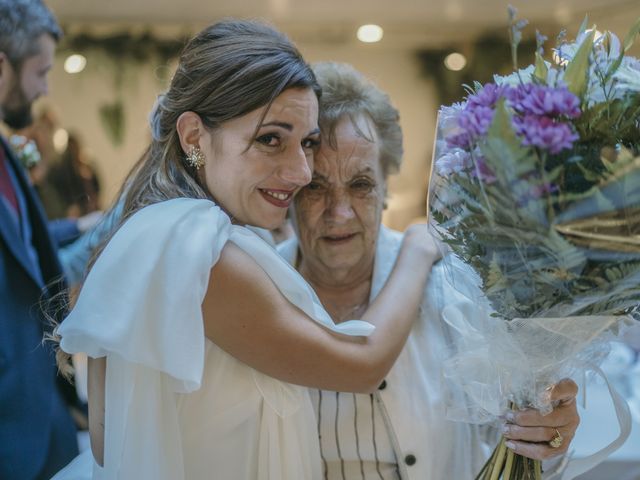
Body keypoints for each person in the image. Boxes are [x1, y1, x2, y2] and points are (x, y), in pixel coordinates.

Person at [53, 20, 441, 480]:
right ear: (194, 136)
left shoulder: (147, 230)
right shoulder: (200, 247)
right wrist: (419, 246)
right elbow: (361, 365)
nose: (299, 171)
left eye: (307, 143)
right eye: (270, 139)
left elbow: (105, 438)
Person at [278, 62, 581, 479]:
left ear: (386, 189)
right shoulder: (263, 284)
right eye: (316, 187)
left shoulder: (453, 285)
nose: (340, 212)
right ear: (288, 190)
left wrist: (550, 437)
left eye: (361, 184)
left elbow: (519, 439)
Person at [0, 1, 82, 479]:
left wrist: (79, 228)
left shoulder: (7, 152)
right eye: (41, 71)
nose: (45, 88)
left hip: (40, 411)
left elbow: (19, 245)